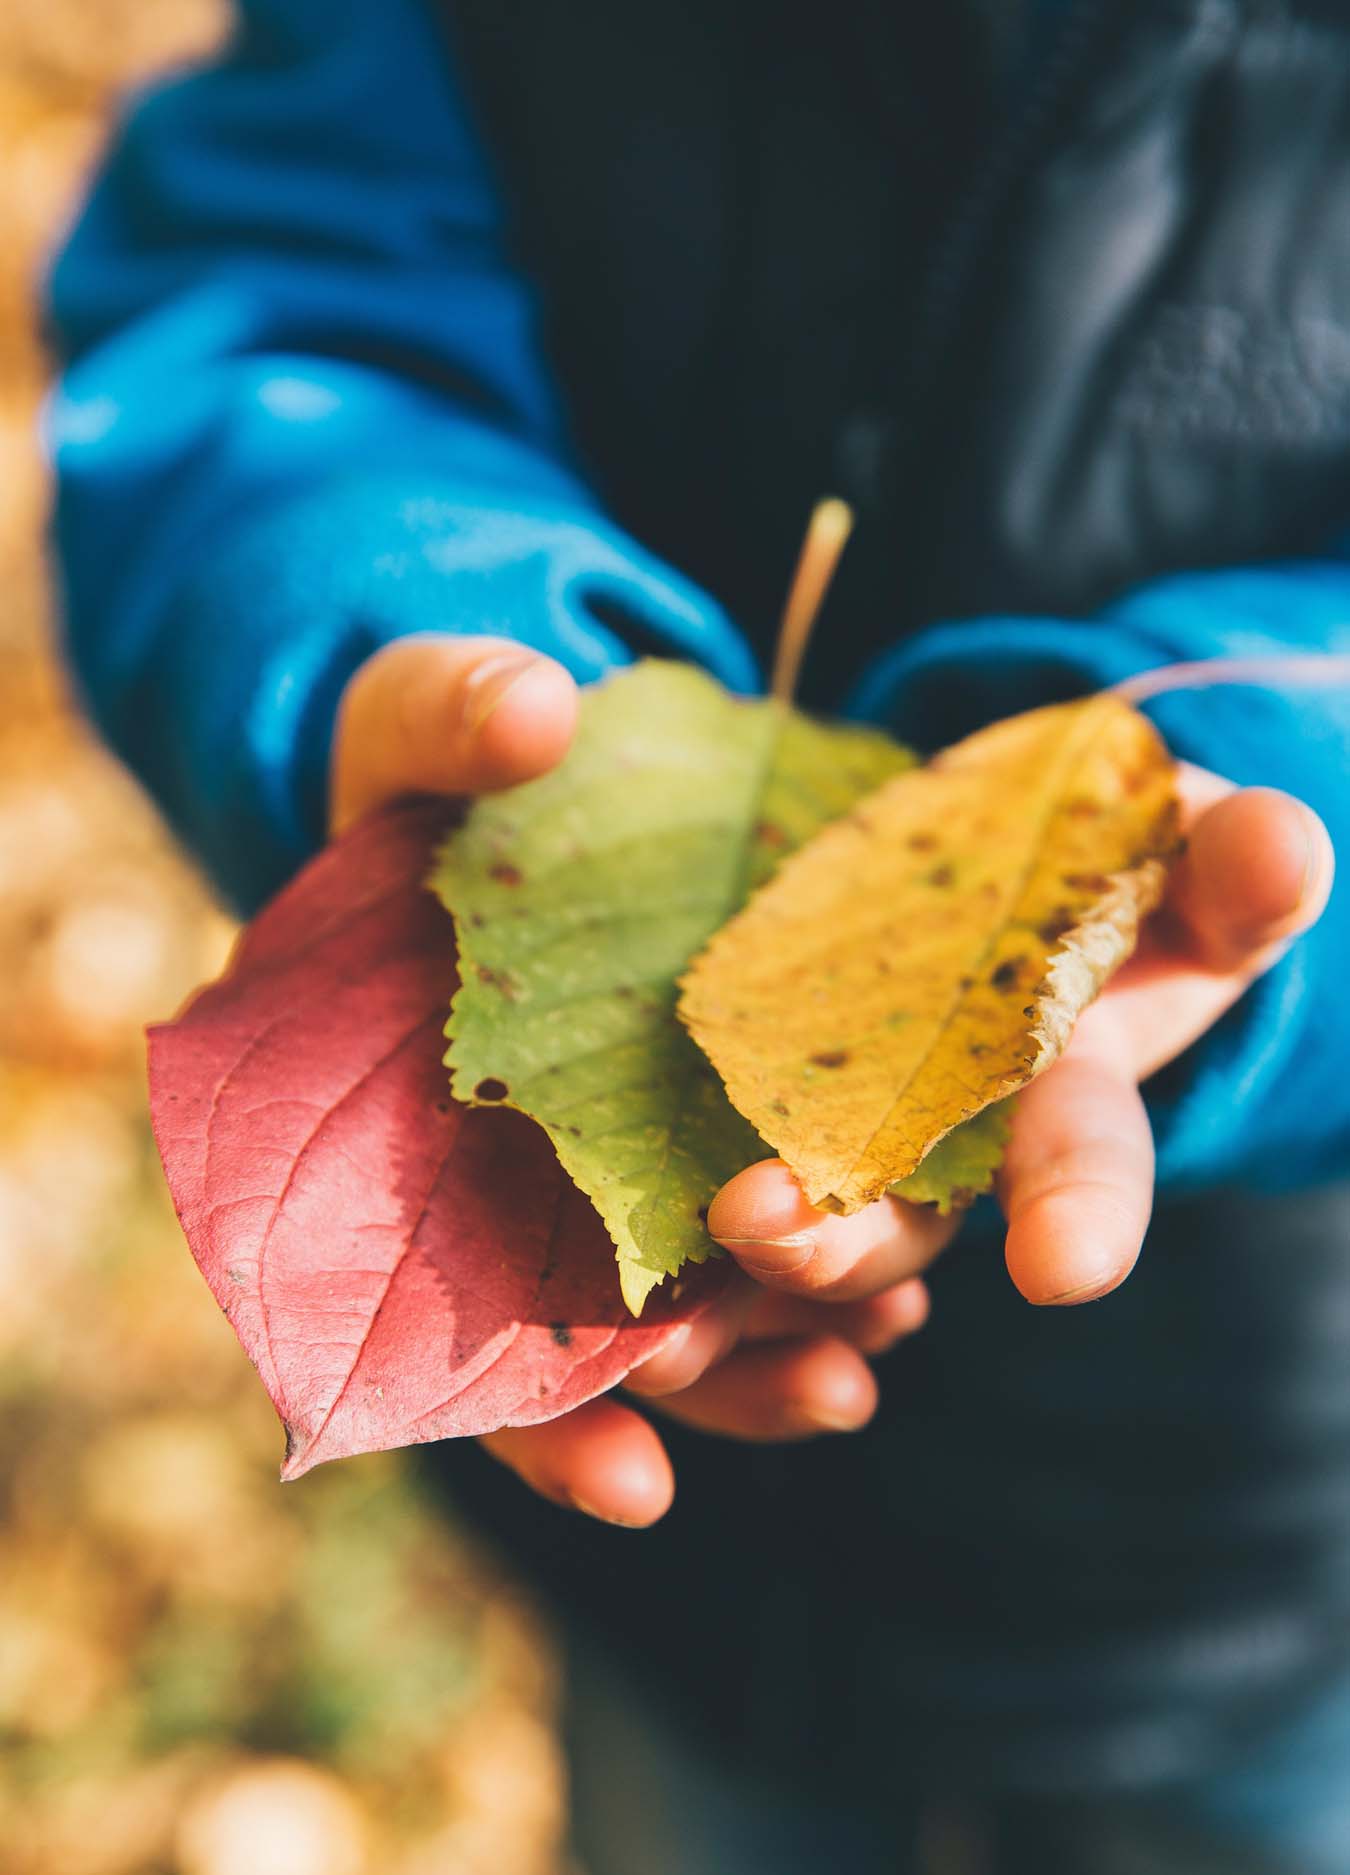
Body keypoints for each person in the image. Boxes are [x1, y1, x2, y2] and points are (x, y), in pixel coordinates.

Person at [45, 1, 1350, 1868]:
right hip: (684, 1571)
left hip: (1251, 1522)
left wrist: (1250, 813)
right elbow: (268, 308)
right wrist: (378, 617)